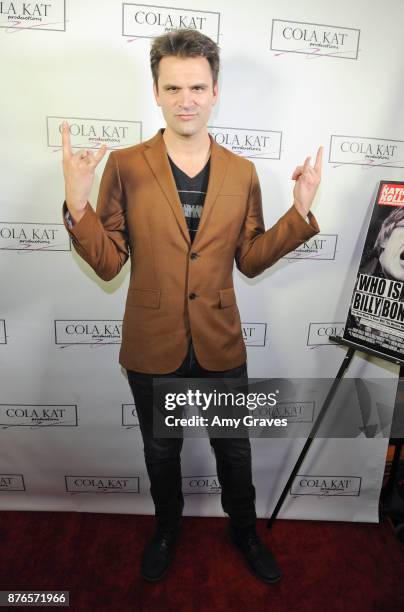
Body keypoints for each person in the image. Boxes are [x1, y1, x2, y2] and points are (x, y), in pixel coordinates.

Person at [61, 29, 322, 584]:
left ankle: (244, 529)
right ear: (155, 91)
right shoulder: (128, 165)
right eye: (173, 87)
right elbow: (109, 263)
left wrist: (298, 212)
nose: (186, 99)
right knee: (162, 454)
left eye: (197, 87)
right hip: (153, 343)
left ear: (215, 90)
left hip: (220, 341)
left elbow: (249, 259)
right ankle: (167, 528)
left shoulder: (242, 171)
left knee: (234, 451)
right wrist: (78, 204)